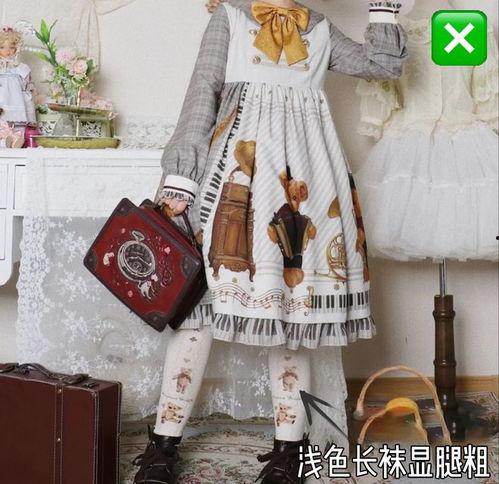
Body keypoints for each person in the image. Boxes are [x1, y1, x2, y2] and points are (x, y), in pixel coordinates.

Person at [133, 1, 407, 482]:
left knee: (292, 315)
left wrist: (383, 9)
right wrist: (181, 178)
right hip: (234, 184)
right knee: (198, 313)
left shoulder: (318, 28)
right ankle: (163, 445)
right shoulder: (231, 18)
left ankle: (289, 450)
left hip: (307, 188)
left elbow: (382, 65)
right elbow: (201, 95)